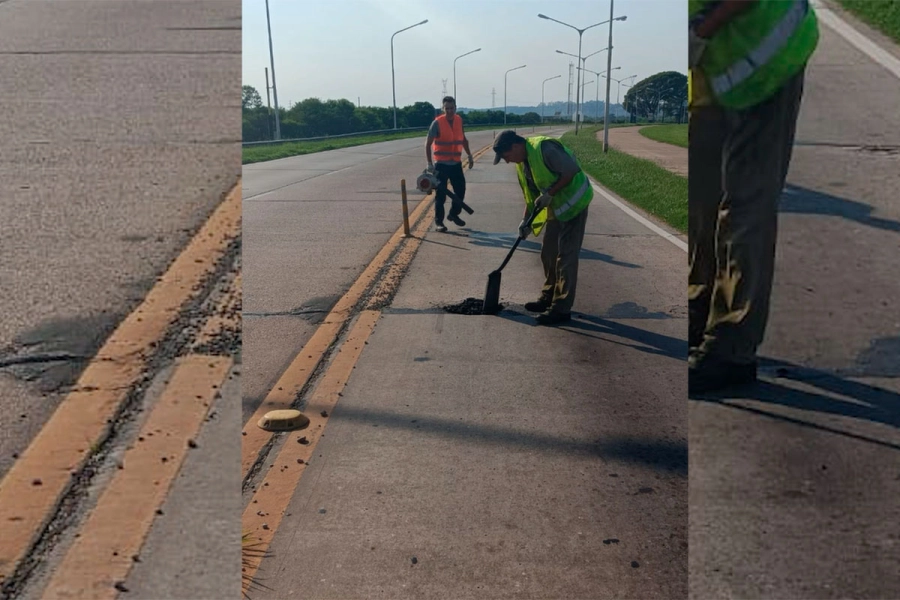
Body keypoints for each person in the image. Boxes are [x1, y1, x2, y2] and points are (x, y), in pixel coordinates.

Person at [688, 0, 819, 394]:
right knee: (701, 202)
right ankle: (699, 309)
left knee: (745, 207)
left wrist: (701, 30)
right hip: (709, 66)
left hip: (766, 55)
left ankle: (731, 346)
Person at [492, 130, 593, 326]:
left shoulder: (544, 148)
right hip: (557, 207)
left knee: (566, 256)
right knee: (548, 253)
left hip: (576, 203)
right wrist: (525, 222)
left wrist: (550, 193)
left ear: (515, 146)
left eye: (506, 156)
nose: (506, 161)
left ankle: (561, 308)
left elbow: (571, 170)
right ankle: (548, 296)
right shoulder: (523, 165)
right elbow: (532, 198)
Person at [425, 96, 474, 232]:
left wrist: (469, 155)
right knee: (441, 195)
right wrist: (429, 163)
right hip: (441, 164)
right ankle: (439, 222)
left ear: (455, 108)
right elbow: (428, 144)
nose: (450, 111)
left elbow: (463, 140)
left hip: (456, 163)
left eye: (452, 108)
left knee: (461, 191)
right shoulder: (437, 123)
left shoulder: (459, 120)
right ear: (443, 109)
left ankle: (453, 214)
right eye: (447, 108)